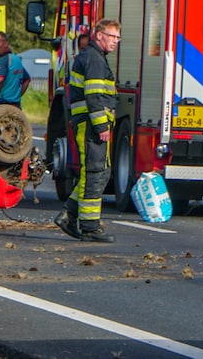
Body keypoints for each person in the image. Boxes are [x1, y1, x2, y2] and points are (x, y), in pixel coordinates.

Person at [55, 18, 121, 243]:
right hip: (91, 125)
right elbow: (93, 95)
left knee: (97, 172)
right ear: (99, 35)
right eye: (112, 36)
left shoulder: (94, 56)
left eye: (118, 37)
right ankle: (90, 227)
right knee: (95, 172)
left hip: (89, 123)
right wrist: (102, 125)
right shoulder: (94, 59)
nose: (115, 41)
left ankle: (69, 215)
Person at [0, 32, 30, 108]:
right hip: (15, 105)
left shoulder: (3, 61)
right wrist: (17, 96)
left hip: (2, 104)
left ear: (6, 44)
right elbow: (27, 79)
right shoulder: (16, 59)